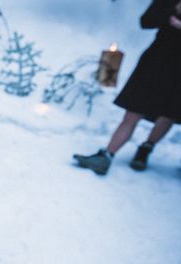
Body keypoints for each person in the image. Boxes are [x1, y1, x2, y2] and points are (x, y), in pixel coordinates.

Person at [73, 0, 181, 175]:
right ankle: (107, 155)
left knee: (167, 114)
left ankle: (146, 148)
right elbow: (146, 21)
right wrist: (171, 12)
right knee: (133, 110)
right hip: (157, 61)